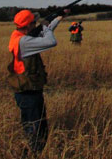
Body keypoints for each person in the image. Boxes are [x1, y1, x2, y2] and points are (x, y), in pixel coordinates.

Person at [7, 9, 68, 154]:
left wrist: (58, 18)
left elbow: (43, 32)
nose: (36, 24)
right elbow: (50, 41)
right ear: (28, 26)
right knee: (36, 129)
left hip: (26, 90)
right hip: (28, 92)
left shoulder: (19, 36)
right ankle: (34, 154)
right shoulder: (24, 42)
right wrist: (46, 26)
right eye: (34, 23)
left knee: (35, 126)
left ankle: (31, 152)